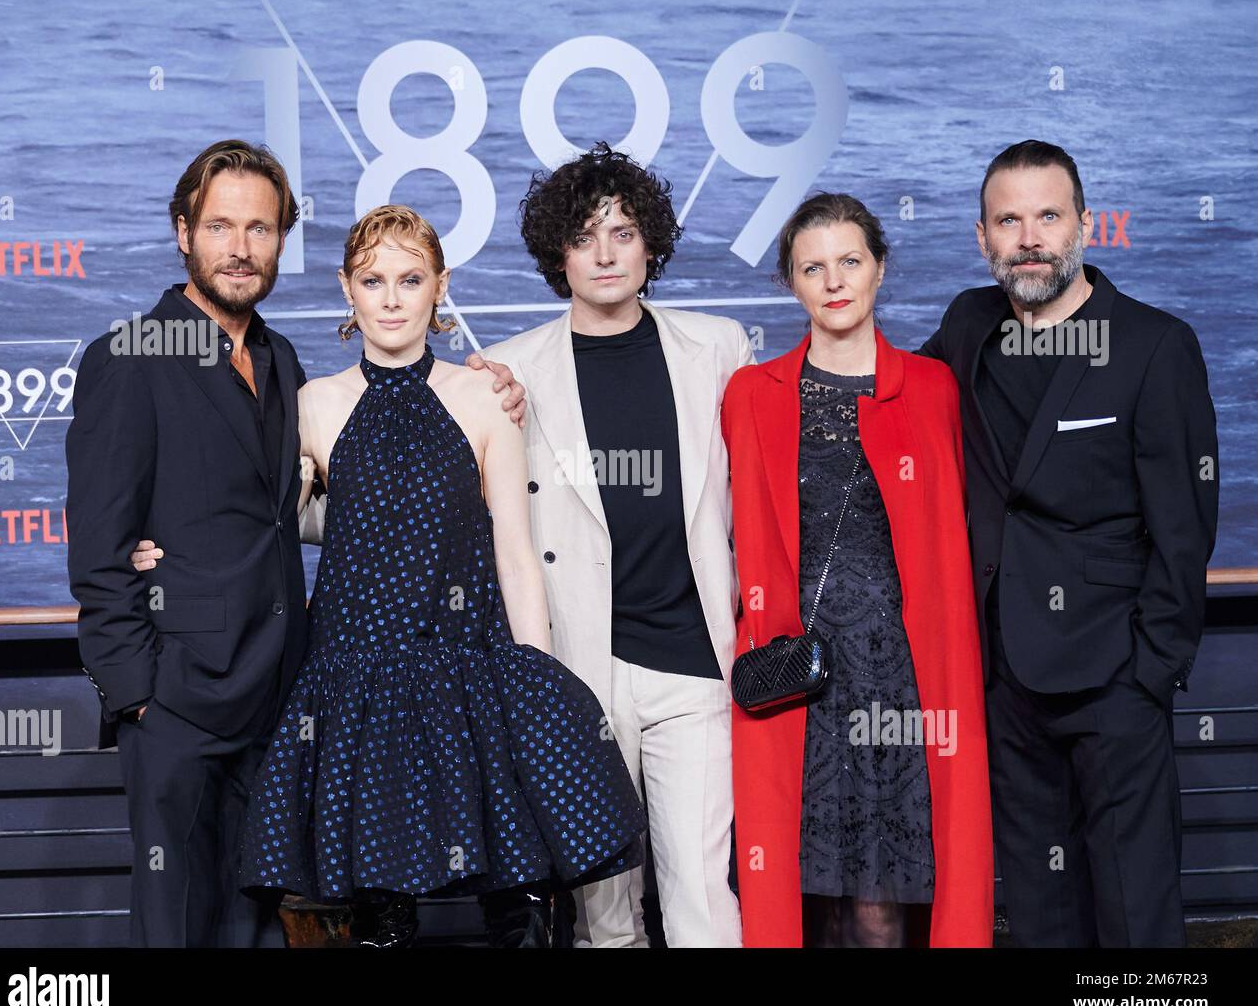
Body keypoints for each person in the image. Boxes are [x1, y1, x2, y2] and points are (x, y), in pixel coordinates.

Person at [70, 139, 526, 948]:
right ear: (183, 232)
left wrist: (500, 392)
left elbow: (314, 508)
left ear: (283, 240)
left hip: (280, 693)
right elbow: (100, 545)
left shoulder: (284, 362)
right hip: (178, 695)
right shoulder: (130, 357)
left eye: (260, 228)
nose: (240, 248)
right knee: (175, 922)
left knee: (253, 924)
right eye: (219, 226)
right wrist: (137, 691)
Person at [234, 204, 646, 948]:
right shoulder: (315, 404)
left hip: (467, 671)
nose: (391, 298)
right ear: (347, 290)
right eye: (373, 280)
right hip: (356, 683)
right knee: (378, 916)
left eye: (410, 279)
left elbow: (513, 551)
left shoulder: (487, 395)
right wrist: (161, 551)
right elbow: (265, 527)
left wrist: (536, 680)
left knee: (513, 905)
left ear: (440, 287)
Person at [916, 140, 1220, 947]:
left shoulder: (1156, 346)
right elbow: (887, 399)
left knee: (1134, 905)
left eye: (1048, 216)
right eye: (1008, 220)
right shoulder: (967, 324)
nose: (1029, 238)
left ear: (1086, 225)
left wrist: (1148, 672)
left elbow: (1183, 528)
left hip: (1112, 676)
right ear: (981, 237)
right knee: (1042, 908)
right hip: (1004, 675)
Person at [480, 143, 750, 947]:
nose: (604, 254)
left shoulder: (720, 349)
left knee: (704, 900)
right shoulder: (508, 372)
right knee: (605, 920)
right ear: (556, 252)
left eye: (624, 233)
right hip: (580, 674)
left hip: (695, 664)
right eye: (584, 235)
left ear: (651, 244)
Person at [721, 193, 994, 947]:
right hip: (798, 674)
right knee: (802, 894)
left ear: (879, 268)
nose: (834, 281)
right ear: (791, 283)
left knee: (884, 902)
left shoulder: (933, 387)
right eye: (813, 267)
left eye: (850, 261)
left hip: (903, 677)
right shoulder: (750, 395)